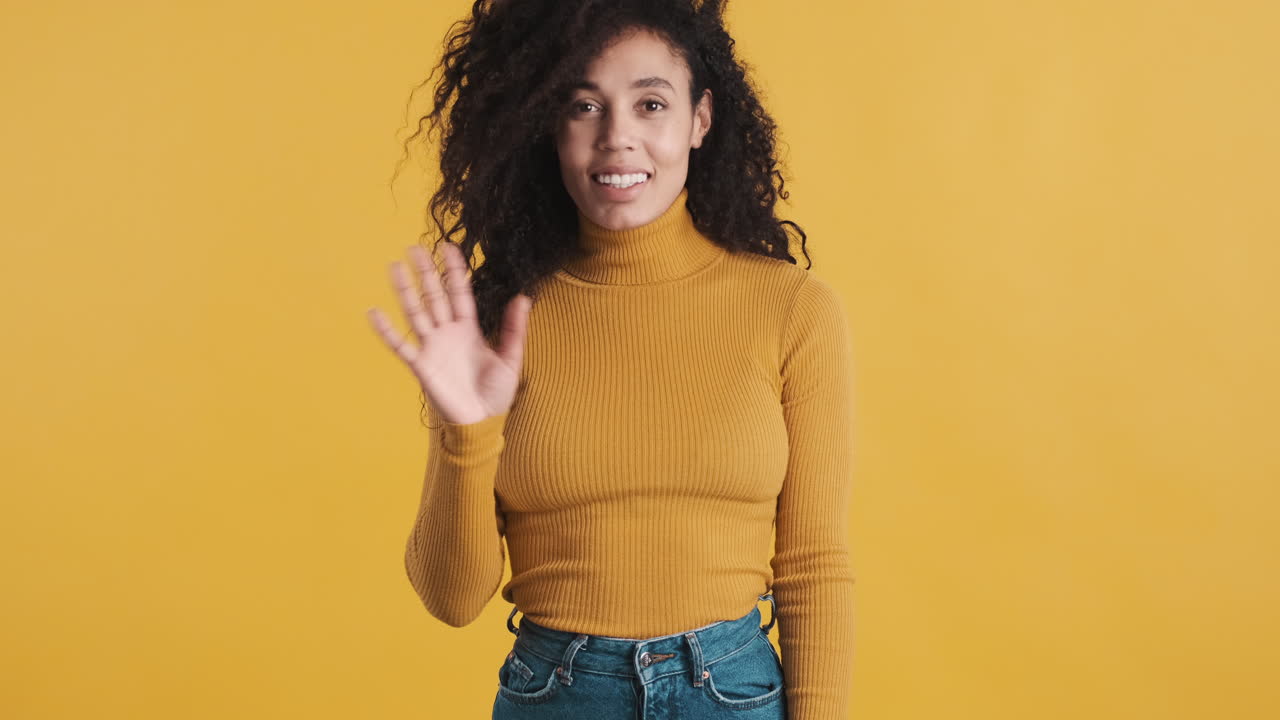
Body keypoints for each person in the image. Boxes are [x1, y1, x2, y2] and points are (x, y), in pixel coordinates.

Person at [367, 1, 855, 717]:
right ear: (548, 128)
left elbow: (815, 567)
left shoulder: (793, 310)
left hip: (734, 692)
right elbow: (451, 597)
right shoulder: (502, 320)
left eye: (650, 103)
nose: (617, 139)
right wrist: (465, 430)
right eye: (583, 106)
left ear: (700, 118)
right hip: (556, 692)